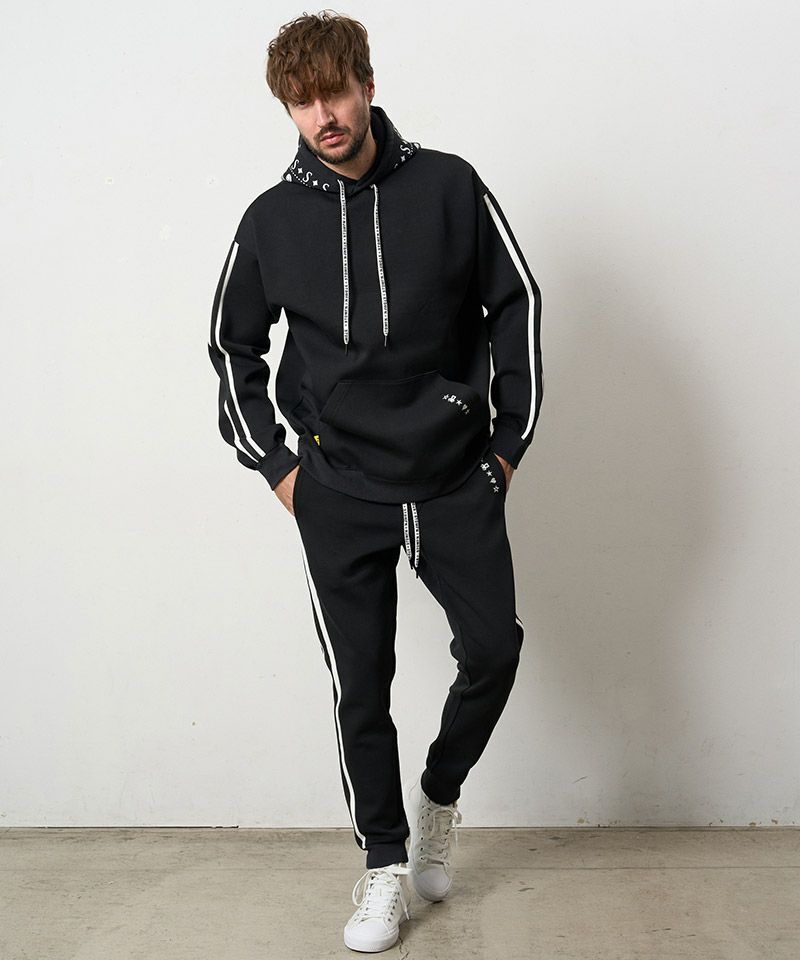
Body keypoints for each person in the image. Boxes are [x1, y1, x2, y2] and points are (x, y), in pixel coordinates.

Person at [208, 11, 543, 953]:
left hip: (452, 477)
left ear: (366, 84)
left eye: (335, 93)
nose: (323, 116)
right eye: (302, 102)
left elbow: (515, 302)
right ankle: (385, 866)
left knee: (494, 651)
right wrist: (278, 468)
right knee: (363, 687)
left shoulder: (449, 185)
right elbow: (230, 346)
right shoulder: (272, 219)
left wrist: (506, 446)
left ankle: (438, 795)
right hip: (338, 487)